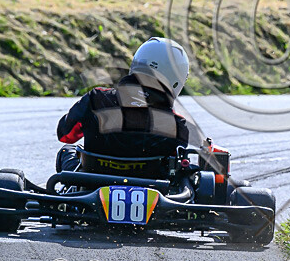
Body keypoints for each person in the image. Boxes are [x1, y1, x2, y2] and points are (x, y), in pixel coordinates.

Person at [55, 38, 190, 172]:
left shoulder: (96, 98)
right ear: (176, 80)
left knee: (68, 150)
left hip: (93, 181)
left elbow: (65, 135)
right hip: (150, 186)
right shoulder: (177, 124)